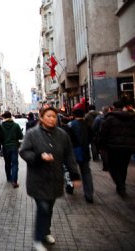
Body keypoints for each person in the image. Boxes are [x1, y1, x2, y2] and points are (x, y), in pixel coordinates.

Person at [19, 106, 81, 251]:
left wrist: (74, 174)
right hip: (37, 179)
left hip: (55, 179)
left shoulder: (62, 134)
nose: (52, 119)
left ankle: (46, 232)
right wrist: (39, 157)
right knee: (43, 208)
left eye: (54, 116)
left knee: (49, 208)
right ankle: (38, 238)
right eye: (48, 116)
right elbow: (23, 151)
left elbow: (69, 155)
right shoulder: (32, 134)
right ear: (41, 118)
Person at [97, 101, 135, 198]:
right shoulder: (131, 118)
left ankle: (120, 186)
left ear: (113, 108)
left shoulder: (109, 119)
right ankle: (121, 186)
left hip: (113, 148)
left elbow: (103, 134)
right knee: (123, 167)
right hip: (128, 148)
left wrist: (101, 146)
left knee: (113, 167)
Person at [68, 109, 94, 203]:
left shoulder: (71, 125)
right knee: (86, 172)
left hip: (73, 152)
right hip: (85, 151)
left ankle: (70, 187)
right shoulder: (87, 125)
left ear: (74, 115)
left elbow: (68, 140)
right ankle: (89, 194)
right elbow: (91, 137)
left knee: (72, 170)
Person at [1, 111, 23, 188]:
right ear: (10, 117)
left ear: (4, 117)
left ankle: (9, 178)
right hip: (14, 147)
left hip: (5, 147)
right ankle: (14, 180)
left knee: (7, 163)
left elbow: (0, 137)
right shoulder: (16, 125)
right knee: (15, 164)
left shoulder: (1, 126)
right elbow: (20, 136)